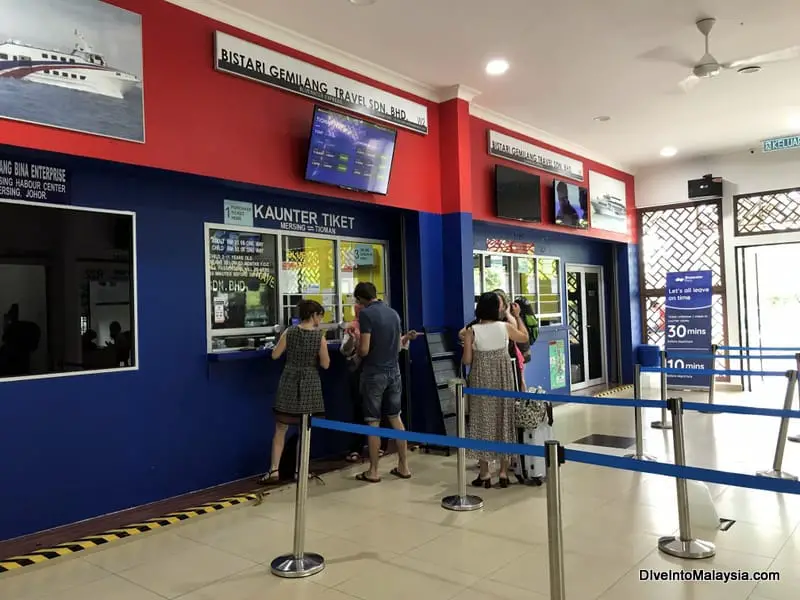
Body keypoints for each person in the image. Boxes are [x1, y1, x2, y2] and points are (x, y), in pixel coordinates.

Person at [258, 299, 330, 485]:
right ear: (314, 315)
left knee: (281, 428)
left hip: (289, 380)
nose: (320, 320)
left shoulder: (289, 332)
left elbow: (275, 355)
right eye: (320, 316)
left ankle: (274, 470)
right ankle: (300, 471)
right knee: (304, 431)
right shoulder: (319, 337)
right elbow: (325, 364)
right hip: (309, 383)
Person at [462, 292, 530, 488]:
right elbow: (524, 337)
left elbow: (467, 360)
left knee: (481, 420)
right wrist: (517, 317)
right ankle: (502, 472)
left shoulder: (471, 330)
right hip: (503, 378)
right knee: (504, 419)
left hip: (481, 379)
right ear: (497, 308)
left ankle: (484, 473)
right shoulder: (504, 327)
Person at [353, 281, 413, 483]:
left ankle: (373, 471)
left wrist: (356, 350)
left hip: (374, 373)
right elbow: (397, 346)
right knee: (396, 418)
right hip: (394, 371)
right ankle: (404, 466)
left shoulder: (366, 314)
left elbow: (364, 349)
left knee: (373, 422)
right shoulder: (393, 313)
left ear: (361, 299)